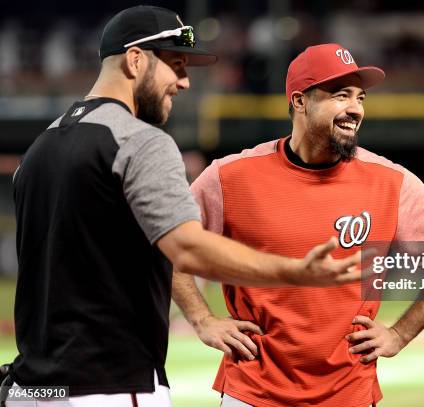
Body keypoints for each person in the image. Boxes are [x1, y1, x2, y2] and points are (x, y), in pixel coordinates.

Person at [4, 9, 362, 407]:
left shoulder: (38, 151)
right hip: (109, 384)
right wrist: (295, 271)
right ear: (136, 59)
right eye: (175, 65)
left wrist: (202, 318)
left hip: (32, 389)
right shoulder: (140, 141)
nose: (184, 81)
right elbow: (188, 248)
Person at [173, 43, 424, 406]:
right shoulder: (230, 177)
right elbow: (166, 245)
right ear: (299, 101)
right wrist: (202, 319)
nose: (355, 109)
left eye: (360, 98)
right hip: (252, 393)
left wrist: (399, 334)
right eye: (340, 95)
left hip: (350, 394)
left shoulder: (390, 181)